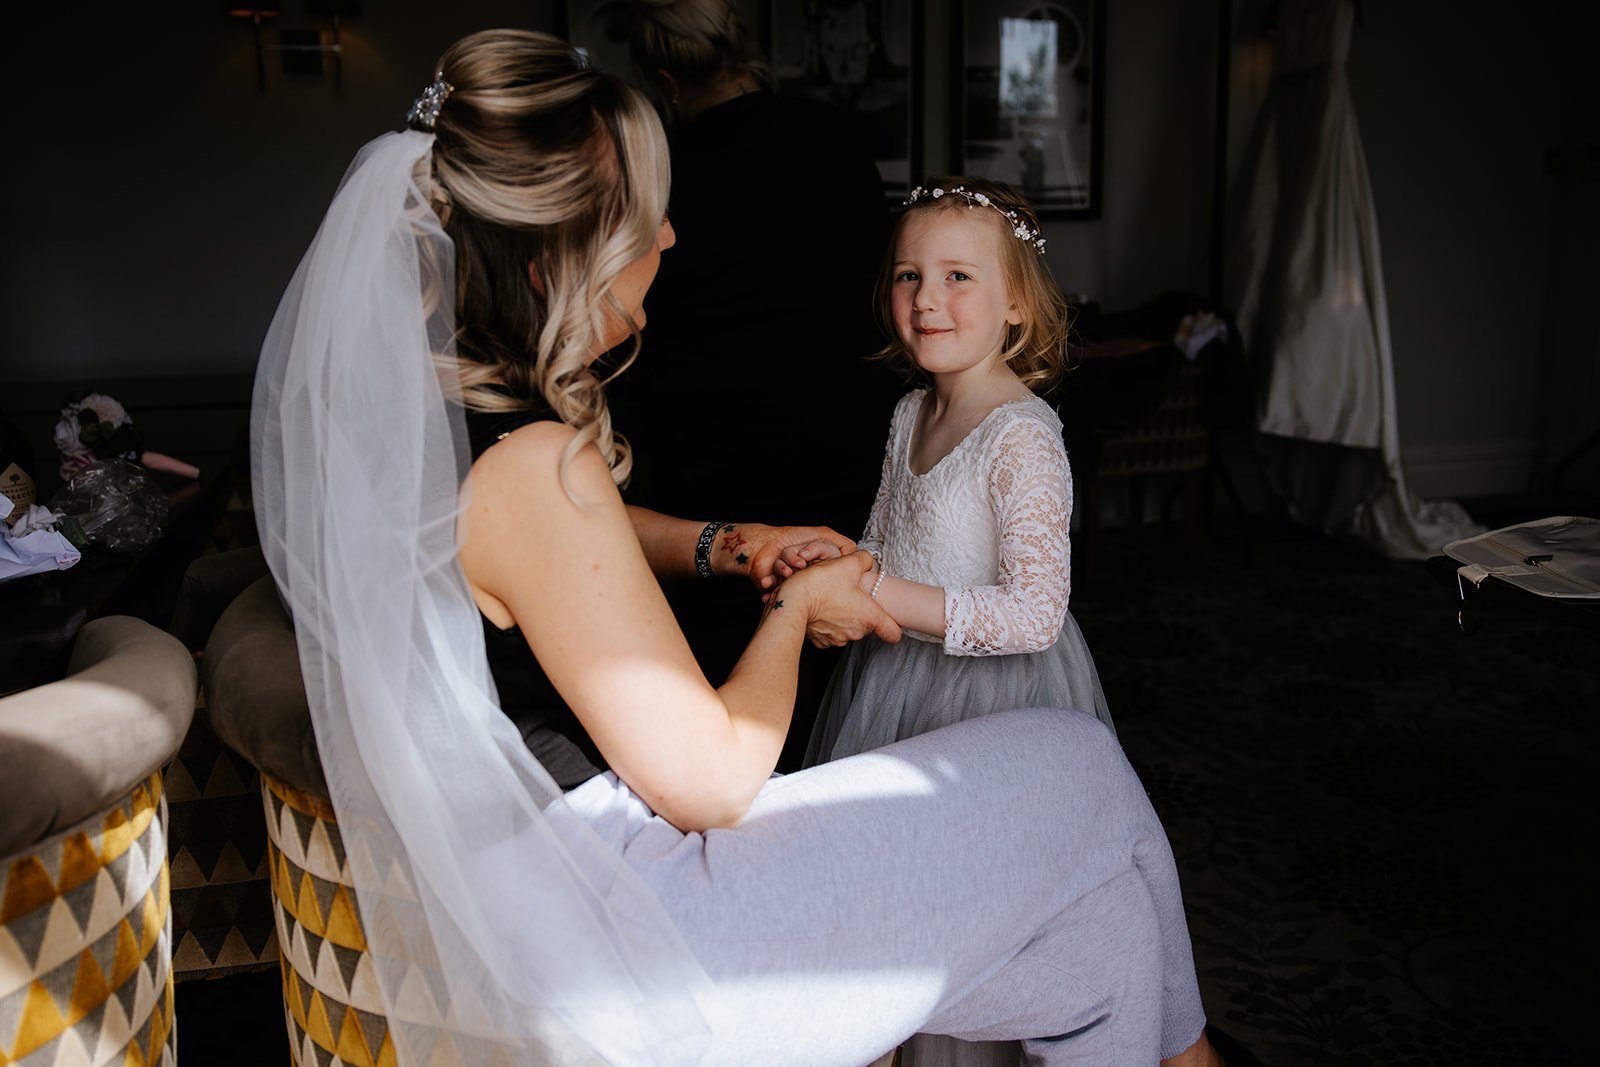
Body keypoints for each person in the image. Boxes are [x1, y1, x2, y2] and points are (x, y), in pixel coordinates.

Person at [251, 28, 1222, 1067]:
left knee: (1107, 933)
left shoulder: (445, 423)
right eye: (638, 223)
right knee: (1079, 765)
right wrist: (796, 612)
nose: (669, 239)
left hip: (564, 878)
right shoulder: (536, 466)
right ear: (555, 258)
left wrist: (725, 544)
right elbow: (712, 779)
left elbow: (557, 546)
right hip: (633, 927)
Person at [606, 0, 898, 751]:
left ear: (666, 81)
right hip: (839, 448)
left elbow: (643, 338)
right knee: (842, 690)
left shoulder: (663, 173)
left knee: (714, 691)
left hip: (703, 473)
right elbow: (878, 304)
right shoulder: (837, 141)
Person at [794, 178, 1113, 770]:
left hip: (995, 697)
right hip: (895, 673)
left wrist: (870, 591)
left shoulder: (1021, 438)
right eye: (907, 274)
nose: (924, 299)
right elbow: (885, 541)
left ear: (1016, 301)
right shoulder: (910, 412)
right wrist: (841, 569)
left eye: (957, 276)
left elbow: (1035, 614)